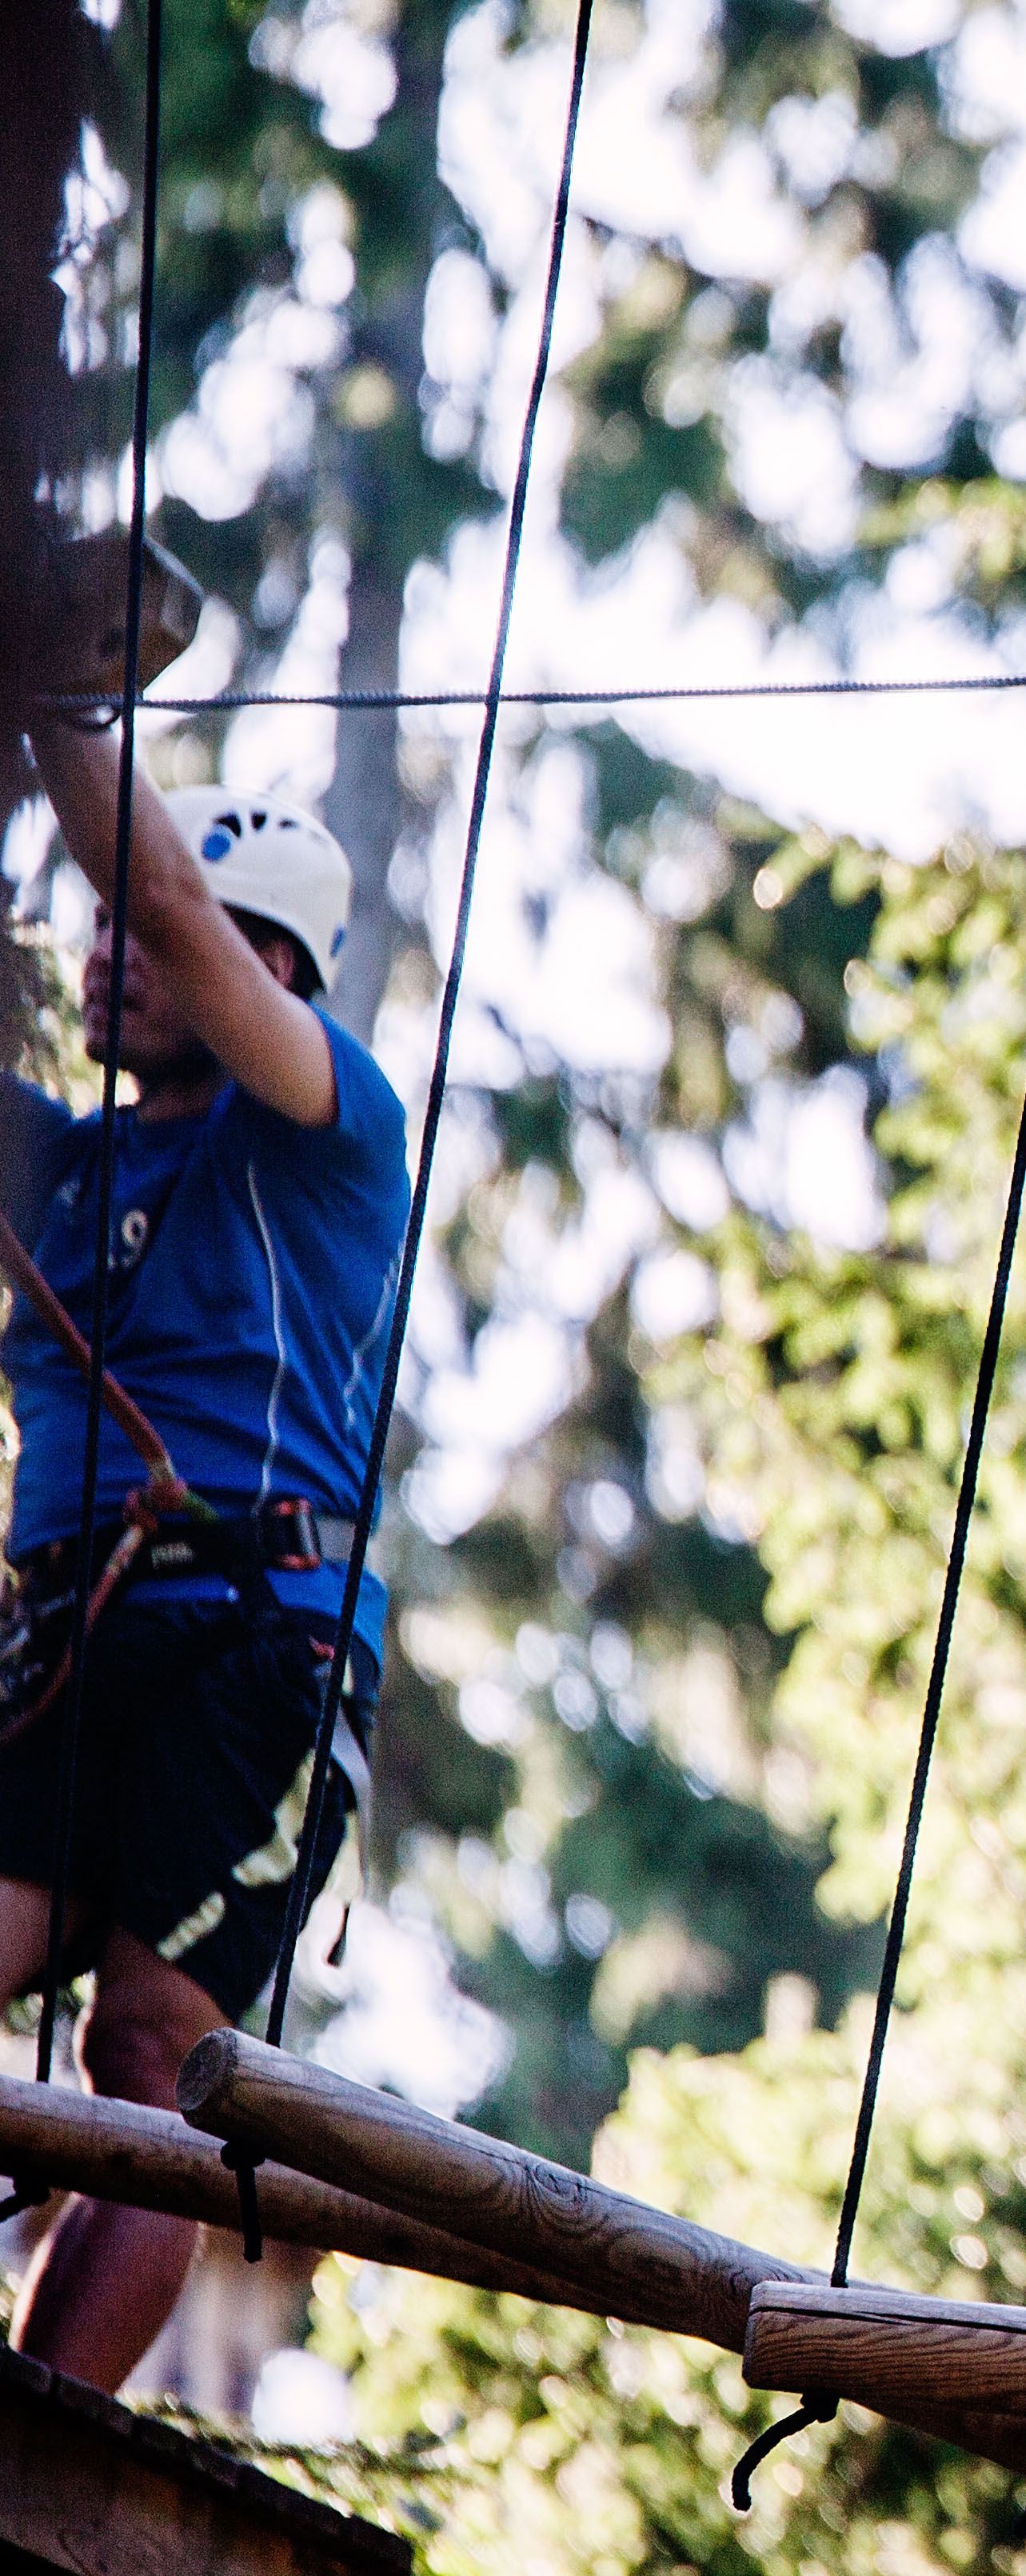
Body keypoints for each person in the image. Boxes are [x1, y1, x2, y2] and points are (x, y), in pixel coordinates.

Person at [0, 707, 408, 2388]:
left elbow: (165, 891)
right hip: (73, 1638)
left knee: (157, 2047)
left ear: (280, 978)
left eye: (171, 942)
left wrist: (47, 689)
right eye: (101, 933)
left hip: (263, 1642)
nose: (123, 953)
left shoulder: (327, 1127)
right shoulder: (63, 1165)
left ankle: (42, 2433)